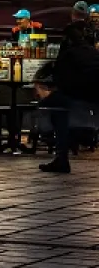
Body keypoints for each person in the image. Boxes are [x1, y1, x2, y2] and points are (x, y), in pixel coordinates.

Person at [33, 17, 99, 174]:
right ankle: (73, 140)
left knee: (52, 106)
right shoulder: (93, 53)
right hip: (95, 100)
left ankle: (60, 154)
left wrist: (44, 91)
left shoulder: (68, 54)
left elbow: (60, 81)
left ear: (67, 39)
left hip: (79, 100)